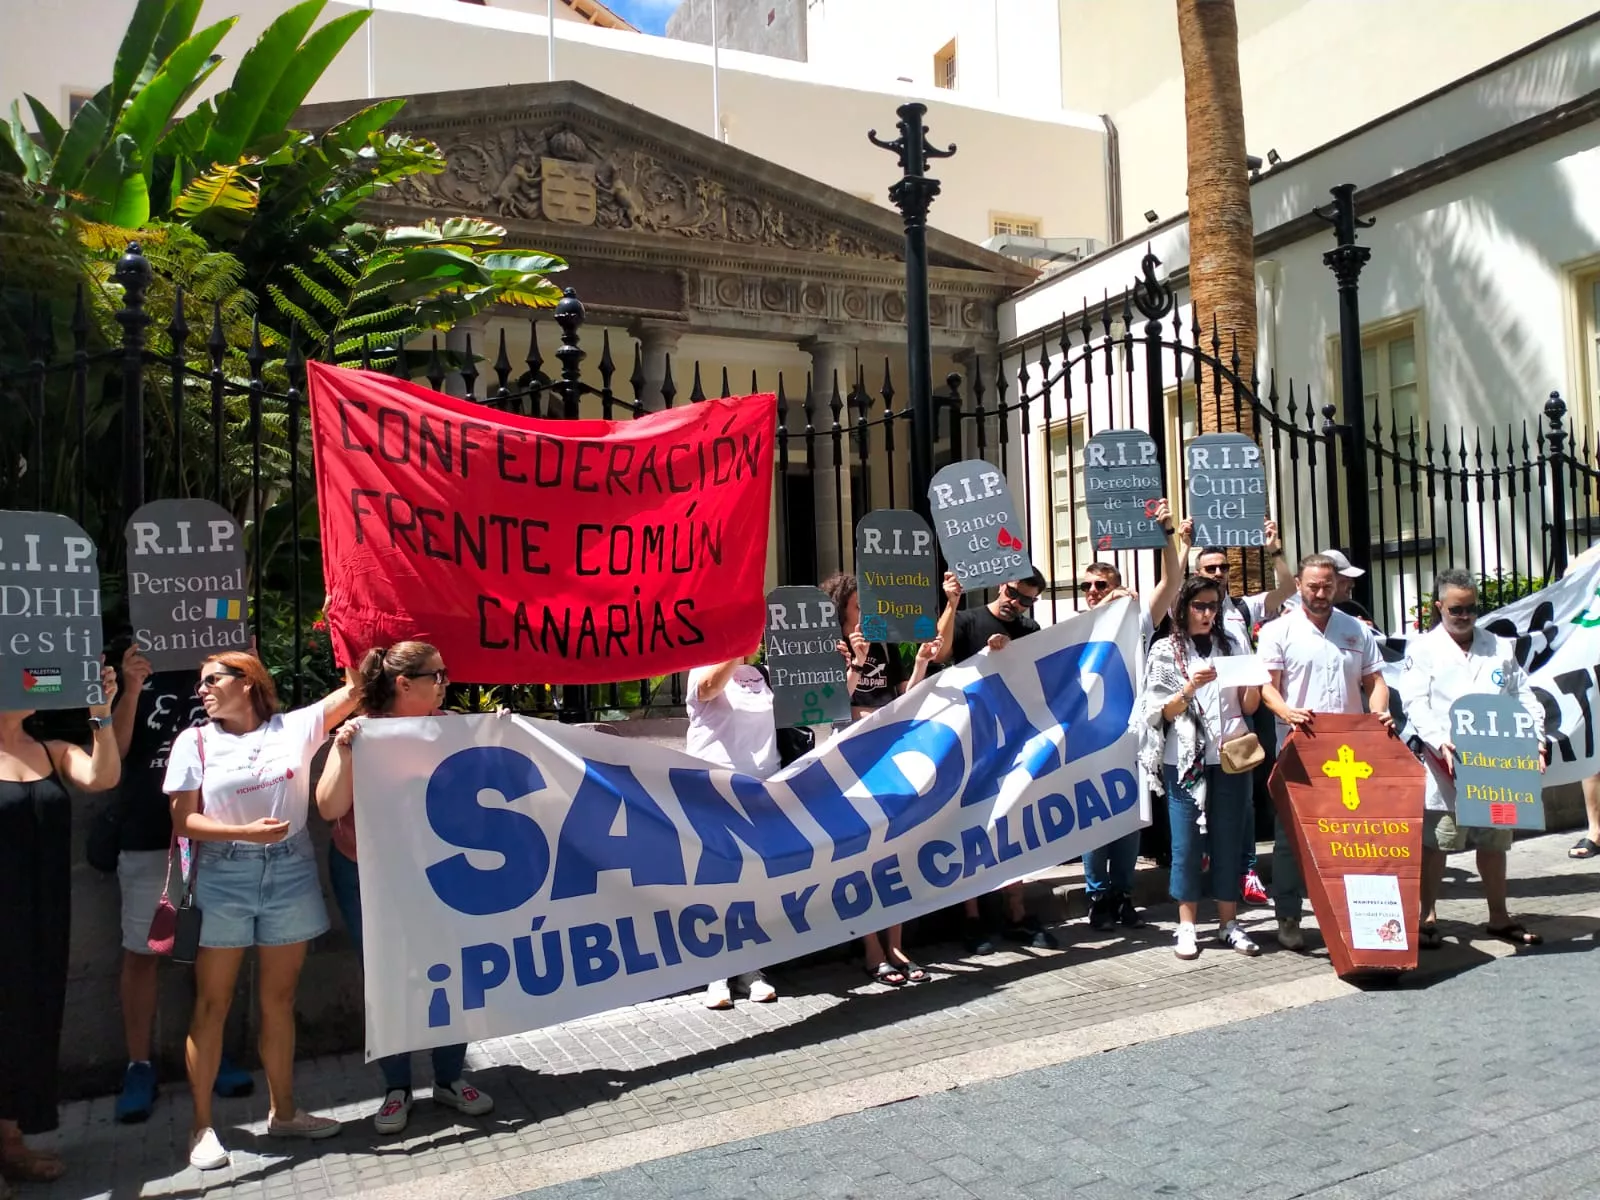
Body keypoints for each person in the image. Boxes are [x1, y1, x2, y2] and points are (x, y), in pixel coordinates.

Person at [164, 651, 360, 1171]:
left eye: (213, 680)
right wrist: (240, 834)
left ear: (247, 682)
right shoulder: (195, 741)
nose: (202, 690)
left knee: (280, 998)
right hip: (224, 873)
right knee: (213, 1003)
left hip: (290, 869)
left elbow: (356, 691)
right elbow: (184, 822)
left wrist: (344, 625)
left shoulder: (294, 727)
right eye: (201, 683)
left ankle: (285, 1111)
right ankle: (202, 1126)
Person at [316, 642, 496, 1133]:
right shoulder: (362, 731)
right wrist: (344, 749)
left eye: (443, 674)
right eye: (436, 675)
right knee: (385, 974)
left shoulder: (452, 727)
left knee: (454, 967)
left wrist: (497, 735)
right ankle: (396, 1088)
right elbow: (330, 808)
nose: (445, 682)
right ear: (403, 684)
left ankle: (448, 1078)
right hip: (366, 872)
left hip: (437, 871)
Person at [106, 641, 254, 1123]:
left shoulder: (223, 670)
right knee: (142, 951)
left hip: (214, 834)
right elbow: (116, 754)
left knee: (208, 950)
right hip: (149, 834)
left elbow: (257, 732)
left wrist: (250, 667)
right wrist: (130, 688)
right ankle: (139, 1065)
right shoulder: (136, 664)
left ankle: (211, 1054)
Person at [0, 662, 120, 1188]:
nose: (30, 684)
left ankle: (10, 1141)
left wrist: (101, 716)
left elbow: (103, 776)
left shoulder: (49, 748)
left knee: (30, 1018)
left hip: (44, 911)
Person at [687, 642, 852, 1008]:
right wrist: (734, 647)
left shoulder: (763, 675)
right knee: (721, 880)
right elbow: (709, 689)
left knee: (757, 881)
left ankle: (750, 968)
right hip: (715, 789)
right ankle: (717, 973)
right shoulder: (702, 666)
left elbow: (817, 703)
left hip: (762, 790)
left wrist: (833, 669)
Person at [1396, 570, 1546, 948]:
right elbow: (1415, 703)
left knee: (1494, 840)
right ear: (1438, 607)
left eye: (1471, 608)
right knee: (1439, 840)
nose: (1464, 616)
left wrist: (1534, 740)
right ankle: (1426, 916)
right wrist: (1440, 742)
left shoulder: (1498, 646)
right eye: (1456, 609)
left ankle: (1498, 916)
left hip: (1494, 764)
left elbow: (1523, 696)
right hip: (1444, 761)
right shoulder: (1423, 650)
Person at [1258, 554, 1392, 950]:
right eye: (1313, 586)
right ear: (1299, 585)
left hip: (1351, 749)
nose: (1320, 593)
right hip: (1299, 747)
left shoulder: (1356, 630)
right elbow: (1267, 686)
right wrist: (1285, 710)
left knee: (1350, 835)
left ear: (1338, 586)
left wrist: (1379, 711)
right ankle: (1288, 916)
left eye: (1327, 586)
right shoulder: (1278, 631)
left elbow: (1376, 681)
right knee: (1291, 839)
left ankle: (1349, 915)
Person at [935, 565, 1061, 953]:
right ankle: (971, 918)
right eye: (1013, 594)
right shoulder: (970, 620)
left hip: (1013, 742)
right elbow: (939, 653)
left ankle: (1017, 913)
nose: (1016, 604)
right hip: (970, 740)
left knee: (1014, 824)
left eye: (1027, 600)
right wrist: (951, 603)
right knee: (970, 823)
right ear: (1000, 584)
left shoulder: (1030, 630)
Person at [1137, 576, 1263, 958]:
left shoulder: (1234, 643)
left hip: (1229, 755)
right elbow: (1159, 712)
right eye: (1200, 606)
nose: (1208, 613)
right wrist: (1189, 687)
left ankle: (1229, 922)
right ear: (1184, 608)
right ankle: (1187, 925)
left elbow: (1250, 706)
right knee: (1187, 843)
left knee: (1229, 838)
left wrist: (1255, 680)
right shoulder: (1165, 650)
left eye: (1213, 605)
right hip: (1186, 759)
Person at [1078, 502, 1184, 932]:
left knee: (1128, 816)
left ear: (1119, 587)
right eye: (1087, 586)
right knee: (1091, 821)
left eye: (1101, 585)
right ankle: (1096, 895)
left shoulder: (1138, 619)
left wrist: (1166, 533)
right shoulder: (1074, 628)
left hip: (1131, 737)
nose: (1092, 592)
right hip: (1088, 740)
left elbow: (1173, 581)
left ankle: (1122, 894)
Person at [820, 572, 927, 986]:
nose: (869, 612)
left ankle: (896, 944)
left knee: (893, 849)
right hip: (849, 761)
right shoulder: (829, 648)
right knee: (861, 855)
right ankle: (871, 948)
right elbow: (830, 709)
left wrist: (919, 663)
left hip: (887, 754)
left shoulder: (883, 643)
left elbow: (904, 700)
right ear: (842, 607)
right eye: (860, 605)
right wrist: (857, 665)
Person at [1185, 520, 1294, 908]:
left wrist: (1275, 552)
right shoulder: (1189, 612)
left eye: (1222, 567)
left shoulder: (1242, 607)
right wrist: (1180, 545)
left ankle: (1246, 870)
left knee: (1242, 800)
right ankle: (1209, 868)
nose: (1218, 573)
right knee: (1199, 798)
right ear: (1198, 574)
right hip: (1198, 714)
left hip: (1242, 712)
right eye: (1210, 568)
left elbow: (1288, 591)